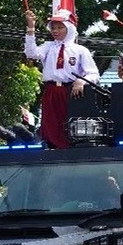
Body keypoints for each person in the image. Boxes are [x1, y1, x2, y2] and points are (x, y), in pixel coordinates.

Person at [24, 8, 101, 149]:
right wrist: (31, 27)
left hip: (71, 92)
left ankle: (70, 149)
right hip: (51, 90)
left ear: (69, 28)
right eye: (53, 27)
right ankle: (49, 145)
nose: (56, 31)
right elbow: (31, 53)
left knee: (70, 124)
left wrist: (81, 81)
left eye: (60, 27)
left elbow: (93, 74)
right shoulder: (48, 47)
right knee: (50, 123)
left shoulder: (80, 50)